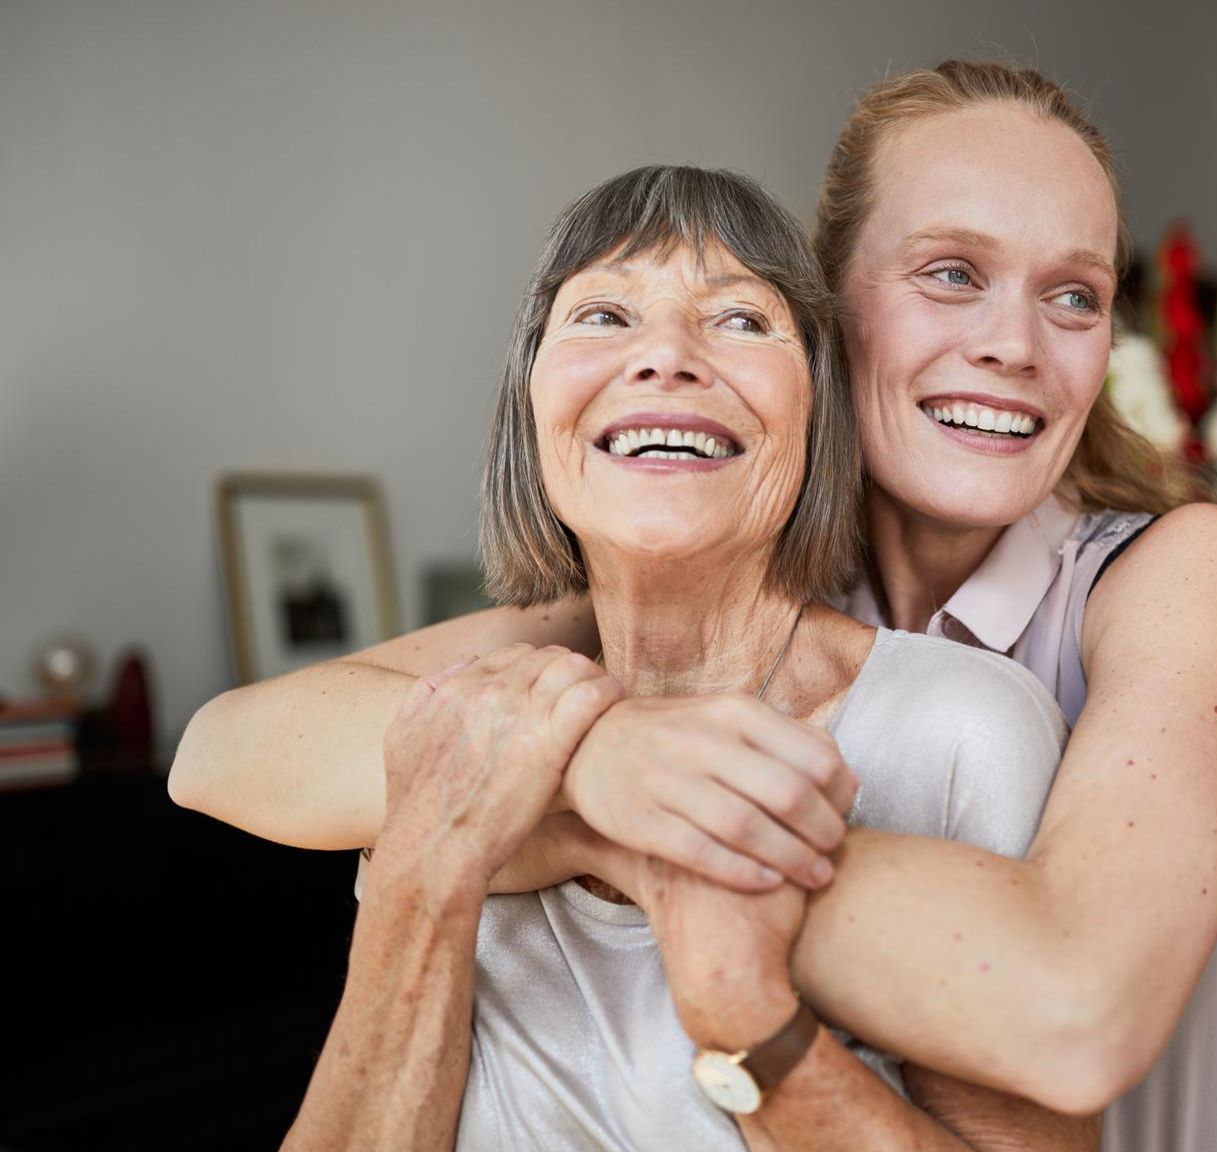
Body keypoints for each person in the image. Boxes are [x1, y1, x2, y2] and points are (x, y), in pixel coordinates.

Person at [172, 61, 1217, 1150]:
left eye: (1073, 295)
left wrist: (605, 819)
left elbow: (1073, 1017)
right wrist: (602, 756)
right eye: (951, 273)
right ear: (830, 314)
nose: (1014, 344)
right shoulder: (698, 576)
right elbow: (225, 748)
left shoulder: (1178, 572)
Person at [271, 163, 1095, 1151]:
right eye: (604, 316)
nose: (664, 358)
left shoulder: (960, 733)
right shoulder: (466, 720)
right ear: (531, 408)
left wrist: (743, 1005)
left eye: (741, 321)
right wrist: (435, 864)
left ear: (816, 410)